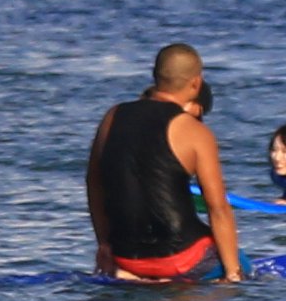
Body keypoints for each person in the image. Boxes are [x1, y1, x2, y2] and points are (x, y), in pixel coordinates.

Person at [84, 44, 243, 284]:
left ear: (155, 77)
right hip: (180, 259)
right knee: (242, 262)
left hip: (125, 255)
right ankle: (168, 278)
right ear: (196, 83)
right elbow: (217, 208)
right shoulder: (195, 132)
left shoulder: (112, 116)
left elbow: (93, 183)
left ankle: (134, 275)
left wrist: (105, 245)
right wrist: (233, 273)